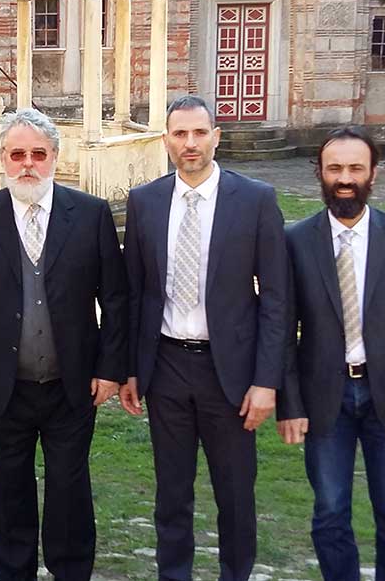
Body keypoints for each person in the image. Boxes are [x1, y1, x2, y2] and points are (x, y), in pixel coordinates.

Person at [0, 108, 127, 580]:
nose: (28, 163)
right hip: (3, 386)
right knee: (10, 489)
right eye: (17, 154)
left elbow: (115, 297)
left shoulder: (90, 214)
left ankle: (71, 570)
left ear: (55, 157)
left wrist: (110, 368)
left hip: (73, 385)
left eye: (38, 154)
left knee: (70, 487)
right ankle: (14, 572)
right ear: (3, 158)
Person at [120, 95, 288, 581]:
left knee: (235, 493)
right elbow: (135, 293)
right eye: (180, 134)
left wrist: (266, 381)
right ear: (166, 140)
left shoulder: (255, 200)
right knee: (172, 492)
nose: (189, 143)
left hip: (229, 372)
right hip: (167, 367)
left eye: (199, 133)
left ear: (216, 136)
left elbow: (276, 299)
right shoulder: (145, 201)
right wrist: (131, 368)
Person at [277, 128, 385, 581]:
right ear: (320, 173)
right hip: (324, 400)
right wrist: (289, 404)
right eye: (335, 169)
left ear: (373, 173)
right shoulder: (295, 240)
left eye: (355, 168)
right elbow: (282, 332)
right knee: (330, 513)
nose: (345, 179)